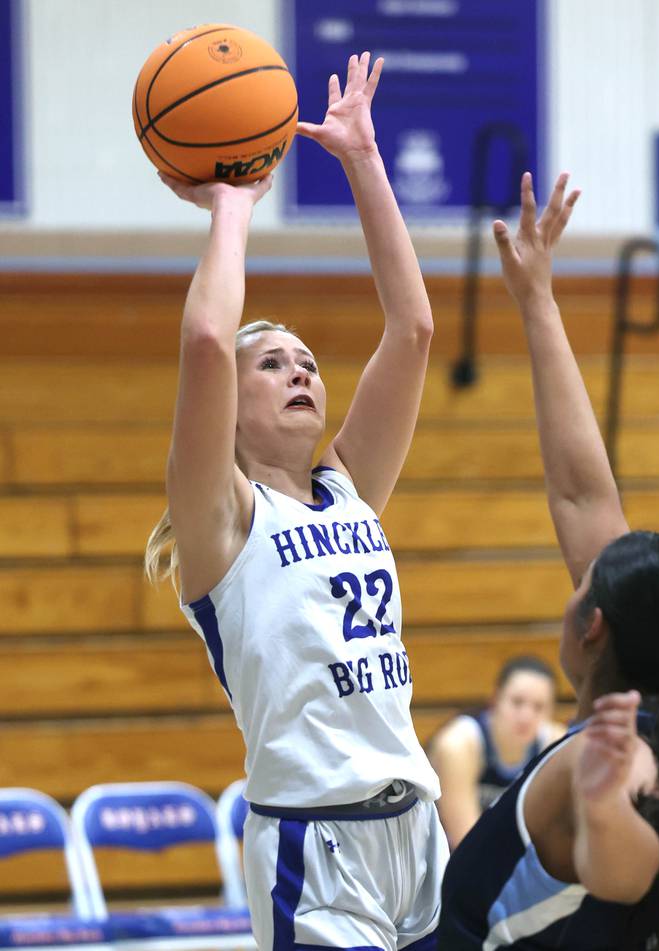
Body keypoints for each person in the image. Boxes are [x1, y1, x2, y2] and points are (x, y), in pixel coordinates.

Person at [144, 53, 447, 951]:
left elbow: (414, 326)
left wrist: (363, 160)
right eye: (271, 363)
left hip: (415, 826)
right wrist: (233, 195)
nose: (301, 369)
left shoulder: (349, 486)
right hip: (314, 841)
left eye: (308, 359)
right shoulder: (221, 521)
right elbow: (205, 338)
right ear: (228, 406)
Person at [436, 172, 659, 951]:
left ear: (595, 625)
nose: (576, 573)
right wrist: (537, 298)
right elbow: (581, 492)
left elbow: (626, 869)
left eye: (583, 582)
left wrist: (608, 807)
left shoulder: (618, 758)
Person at [428, 656, 565, 847]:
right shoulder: (458, 745)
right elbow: (468, 846)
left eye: (538, 707)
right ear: (495, 700)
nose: (526, 716)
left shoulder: (555, 745)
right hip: (451, 862)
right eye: (517, 702)